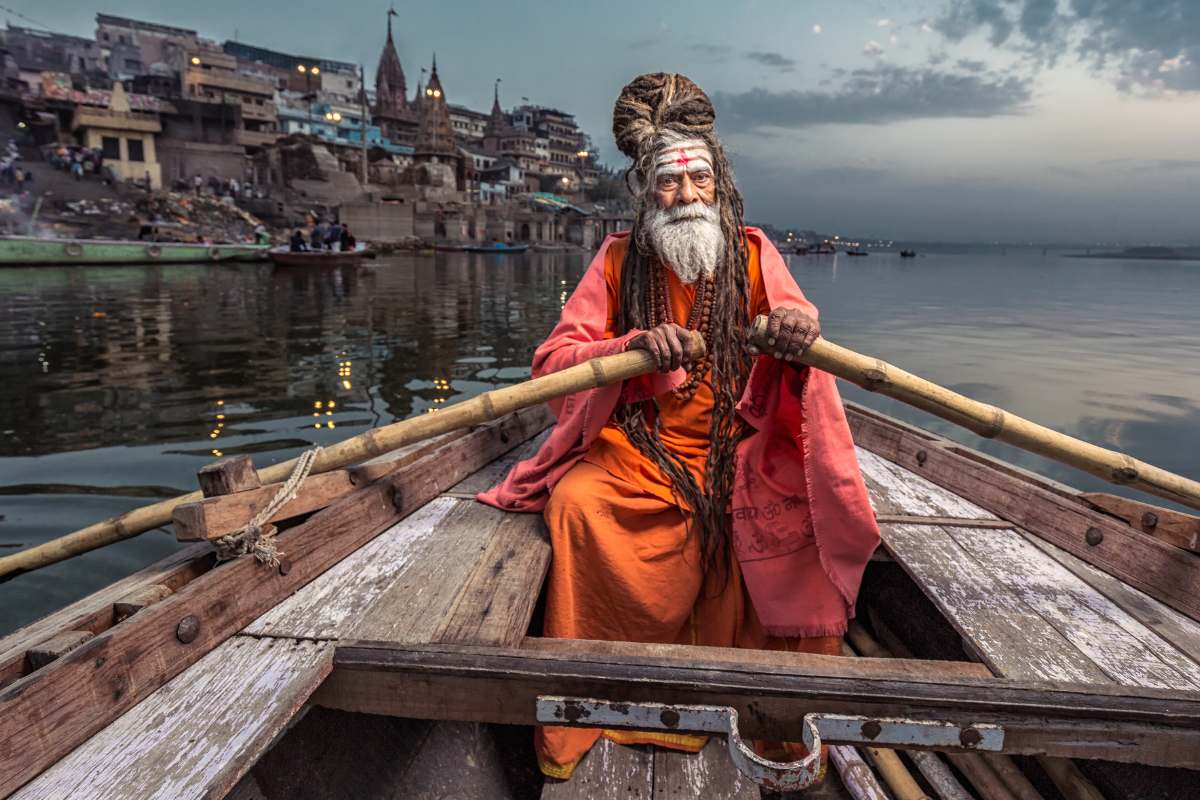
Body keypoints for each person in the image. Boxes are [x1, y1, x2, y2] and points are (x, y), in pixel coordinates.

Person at [479, 73, 879, 781]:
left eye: (698, 178)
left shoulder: (755, 254)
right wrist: (627, 350)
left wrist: (796, 326)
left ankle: (773, 716)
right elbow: (553, 365)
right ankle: (602, 709)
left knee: (799, 515)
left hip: (741, 446)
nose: (686, 195)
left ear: (719, 180)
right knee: (577, 506)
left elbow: (803, 327)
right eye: (668, 182)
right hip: (640, 451)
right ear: (643, 188)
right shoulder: (615, 261)